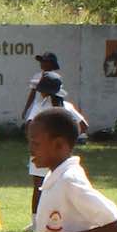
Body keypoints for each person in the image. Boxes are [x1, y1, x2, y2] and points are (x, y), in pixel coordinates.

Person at [24, 72, 88, 217]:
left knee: (38, 186)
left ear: (45, 92)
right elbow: (83, 125)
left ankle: (36, 220)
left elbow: (29, 125)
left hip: (42, 151)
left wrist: (34, 144)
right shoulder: (67, 107)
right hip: (60, 154)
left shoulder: (40, 107)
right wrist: (68, 142)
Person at [18, 51, 63, 126]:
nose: (41, 63)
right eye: (41, 61)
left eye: (44, 61)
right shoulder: (37, 76)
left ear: (51, 63)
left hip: (50, 106)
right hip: (38, 106)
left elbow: (58, 96)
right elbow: (32, 94)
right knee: (29, 125)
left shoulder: (56, 78)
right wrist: (26, 109)